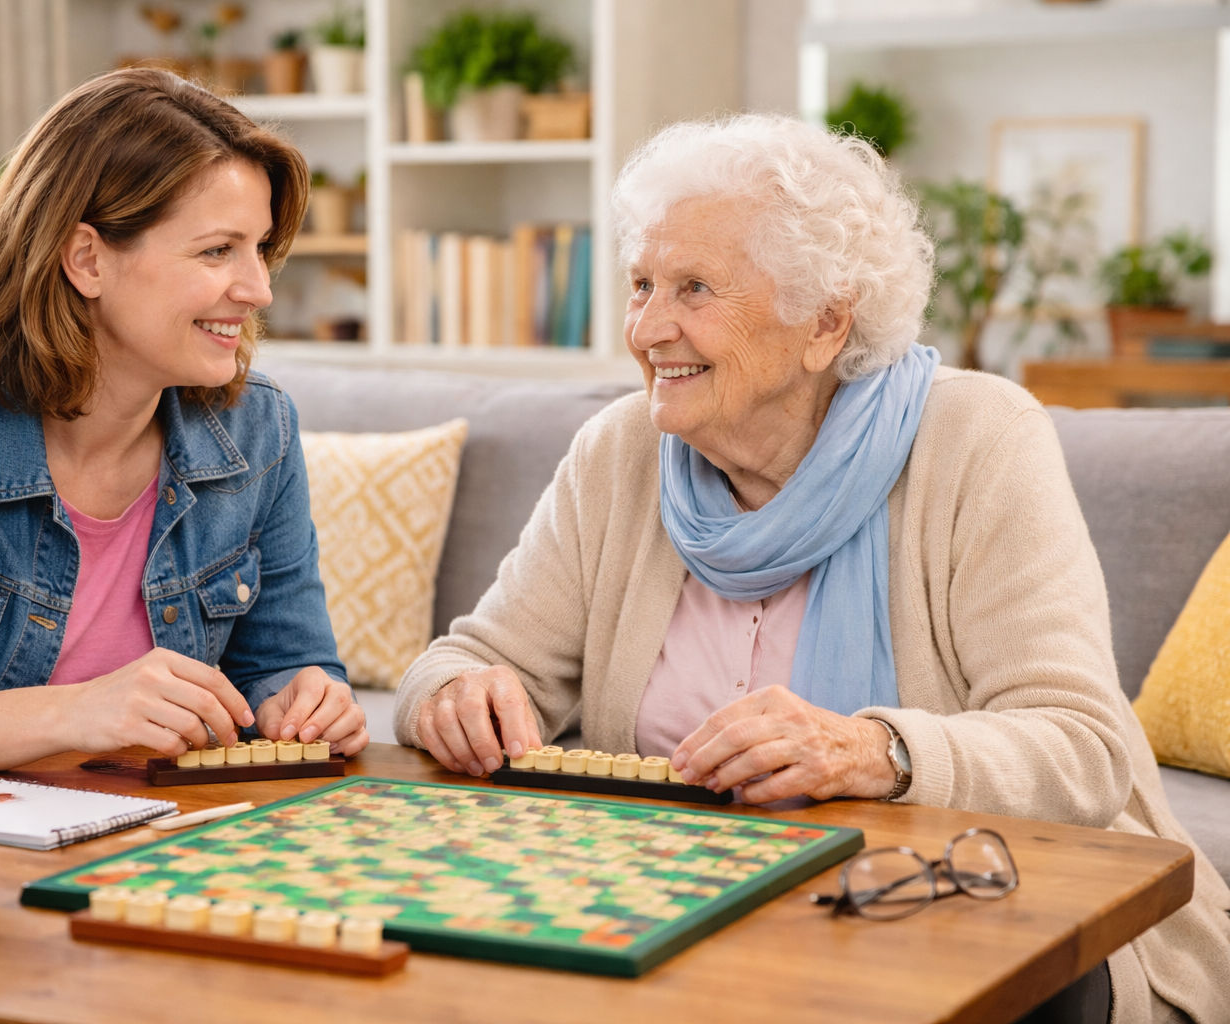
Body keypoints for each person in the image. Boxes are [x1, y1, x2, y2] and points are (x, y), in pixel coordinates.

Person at [394, 114, 1229, 1022]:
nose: (647, 326)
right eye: (641, 285)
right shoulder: (620, 453)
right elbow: (466, 660)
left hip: (964, 903)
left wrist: (874, 751)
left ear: (826, 323)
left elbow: (1083, 749)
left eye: (694, 289)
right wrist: (459, 695)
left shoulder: (976, 438)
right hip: (686, 913)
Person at [0, 67, 367, 811]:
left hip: (150, 854)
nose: (258, 289)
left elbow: (287, 664)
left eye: (259, 249)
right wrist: (73, 711)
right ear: (86, 258)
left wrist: (305, 700)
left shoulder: (258, 428)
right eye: (218, 251)